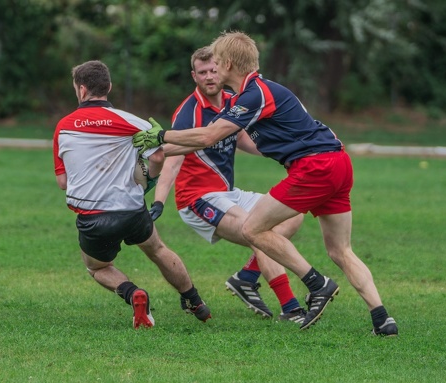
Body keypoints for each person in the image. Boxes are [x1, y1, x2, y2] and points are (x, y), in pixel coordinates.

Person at [134, 32, 398, 335]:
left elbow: (207, 136)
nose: (212, 71)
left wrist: (161, 136)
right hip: (337, 163)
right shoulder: (253, 93)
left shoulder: (252, 95)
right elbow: (200, 143)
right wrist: (157, 148)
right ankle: (382, 319)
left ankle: (317, 284)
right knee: (341, 250)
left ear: (229, 64)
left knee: (252, 228)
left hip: (313, 167)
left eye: (216, 64)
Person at [150, 46, 307, 324]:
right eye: (202, 73)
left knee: (293, 212)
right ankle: (291, 308)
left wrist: (287, 151)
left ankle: (247, 277)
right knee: (256, 230)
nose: (209, 77)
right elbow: (171, 160)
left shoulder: (234, 101)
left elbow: (245, 140)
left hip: (226, 194)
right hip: (196, 199)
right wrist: (159, 202)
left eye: (213, 70)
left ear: (223, 69)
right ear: (194, 76)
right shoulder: (189, 113)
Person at [53, 60, 211, 329]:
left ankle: (133, 293)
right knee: (158, 249)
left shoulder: (64, 127)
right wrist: (148, 177)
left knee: (98, 268)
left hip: (93, 216)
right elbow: (159, 155)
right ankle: (194, 300)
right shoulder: (132, 122)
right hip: (132, 210)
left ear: (81, 90)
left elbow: (63, 182)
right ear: (109, 87)